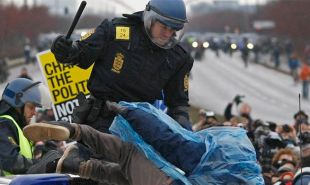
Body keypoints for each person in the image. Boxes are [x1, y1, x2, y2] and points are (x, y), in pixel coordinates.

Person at [23, 101, 264, 185]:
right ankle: (76, 166)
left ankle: (76, 131)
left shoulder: (219, 154)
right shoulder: (247, 177)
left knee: (128, 154)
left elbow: (169, 141)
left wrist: (128, 112)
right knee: (126, 177)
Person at [51, 0, 193, 133]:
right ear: (150, 20)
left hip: (140, 128)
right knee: (79, 159)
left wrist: (185, 132)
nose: (168, 34)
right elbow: (80, 55)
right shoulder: (115, 31)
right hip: (98, 122)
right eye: (164, 27)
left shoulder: (179, 57)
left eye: (174, 29)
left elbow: (178, 104)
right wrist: (65, 50)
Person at [0, 78, 61, 176]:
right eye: (31, 107)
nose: (34, 112)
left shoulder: (16, 126)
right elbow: (12, 162)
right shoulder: (3, 124)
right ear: (17, 105)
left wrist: (44, 151)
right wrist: (44, 164)